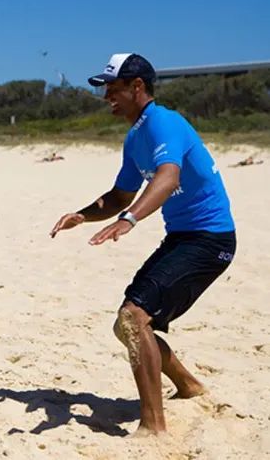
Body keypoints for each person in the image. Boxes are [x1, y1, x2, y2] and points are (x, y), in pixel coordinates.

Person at [49, 54, 236, 437]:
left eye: (112, 89)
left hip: (210, 238)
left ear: (137, 87)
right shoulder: (135, 137)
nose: (106, 98)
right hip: (184, 237)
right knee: (128, 324)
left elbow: (167, 178)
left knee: (134, 318)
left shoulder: (164, 122)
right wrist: (83, 215)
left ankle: (153, 428)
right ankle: (189, 386)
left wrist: (130, 220)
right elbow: (120, 195)